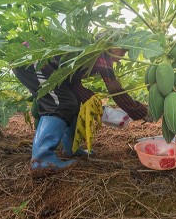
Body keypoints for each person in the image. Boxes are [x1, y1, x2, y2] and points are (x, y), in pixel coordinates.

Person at [12, 37, 149, 177]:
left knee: (73, 102)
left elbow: (72, 82)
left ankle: (71, 148)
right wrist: (140, 111)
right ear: (111, 45)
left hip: (40, 62)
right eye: (123, 51)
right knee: (59, 105)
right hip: (33, 59)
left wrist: (96, 106)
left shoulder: (89, 52)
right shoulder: (100, 54)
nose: (122, 57)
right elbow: (115, 89)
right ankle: (42, 161)